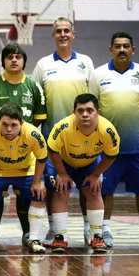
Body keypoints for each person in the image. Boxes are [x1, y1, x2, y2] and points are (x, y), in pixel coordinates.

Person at [89, 32, 139, 248]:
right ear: (110, 49)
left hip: (138, 147)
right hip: (108, 149)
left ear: (133, 50)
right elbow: (91, 107)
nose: (122, 50)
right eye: (118, 46)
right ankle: (106, 231)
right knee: (106, 191)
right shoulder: (98, 74)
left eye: (126, 46)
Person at [32, 17, 95, 244]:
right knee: (55, 186)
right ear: (53, 35)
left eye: (66, 30)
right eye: (58, 31)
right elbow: (37, 102)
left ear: (73, 34)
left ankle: (90, 229)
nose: (62, 34)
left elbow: (93, 100)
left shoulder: (86, 62)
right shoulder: (42, 65)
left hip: (84, 137)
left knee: (88, 186)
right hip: (52, 138)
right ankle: (55, 229)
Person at [0, 43, 46, 247]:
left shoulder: (34, 86)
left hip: (24, 152)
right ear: (3, 61)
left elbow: (39, 118)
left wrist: (22, 137)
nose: (14, 60)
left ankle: (29, 235)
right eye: (10, 57)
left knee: (29, 194)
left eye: (18, 57)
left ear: (24, 61)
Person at [46, 93, 120, 253]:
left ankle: (96, 236)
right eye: (80, 110)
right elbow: (52, 150)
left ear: (97, 112)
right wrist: (62, 173)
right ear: (74, 113)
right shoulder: (62, 127)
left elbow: (111, 155)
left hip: (90, 164)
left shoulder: (108, 130)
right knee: (61, 190)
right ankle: (60, 238)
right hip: (63, 163)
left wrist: (95, 175)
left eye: (89, 110)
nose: (85, 114)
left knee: (94, 190)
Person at [0, 103, 48, 254]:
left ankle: (33, 238)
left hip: (25, 169)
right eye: (5, 124)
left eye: (14, 125)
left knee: (38, 194)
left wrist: (37, 182)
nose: (9, 129)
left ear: (22, 124)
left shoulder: (33, 134)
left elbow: (42, 158)